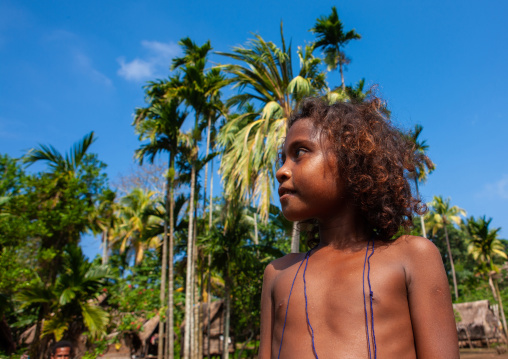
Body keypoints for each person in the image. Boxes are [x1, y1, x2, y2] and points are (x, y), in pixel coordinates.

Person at [259, 97, 459, 358]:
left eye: (299, 153)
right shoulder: (278, 273)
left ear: (351, 160)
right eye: (282, 158)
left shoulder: (412, 257)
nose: (282, 171)